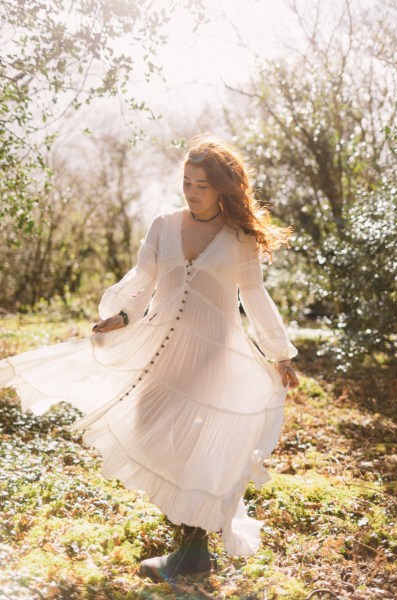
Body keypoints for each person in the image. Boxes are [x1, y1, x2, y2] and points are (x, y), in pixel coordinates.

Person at [0, 133, 300, 583]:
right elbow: (143, 278)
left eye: (201, 184)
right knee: (152, 431)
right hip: (159, 348)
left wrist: (279, 354)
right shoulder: (163, 225)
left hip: (211, 354)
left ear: (222, 187)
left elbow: (255, 297)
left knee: (197, 443)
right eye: (187, 181)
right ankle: (188, 528)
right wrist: (121, 313)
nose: (192, 191)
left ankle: (193, 551)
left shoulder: (239, 238)